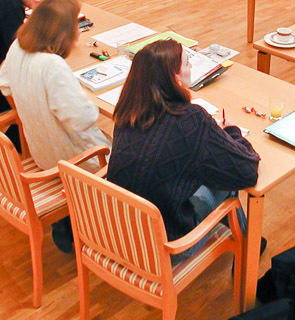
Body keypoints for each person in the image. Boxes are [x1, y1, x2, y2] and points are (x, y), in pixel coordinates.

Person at [107, 40, 259, 258]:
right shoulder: (190, 119)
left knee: (202, 167)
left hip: (120, 232)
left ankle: (245, 243)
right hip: (167, 245)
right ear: (176, 79)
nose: (191, 68)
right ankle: (248, 250)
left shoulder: (127, 112)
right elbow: (247, 172)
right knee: (225, 179)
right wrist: (231, 133)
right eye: (188, 64)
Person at [0, 0, 110, 253]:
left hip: (41, 149)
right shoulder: (52, 66)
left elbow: (4, 84)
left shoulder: (17, 47)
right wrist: (80, 94)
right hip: (74, 159)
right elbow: (84, 119)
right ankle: (98, 227)